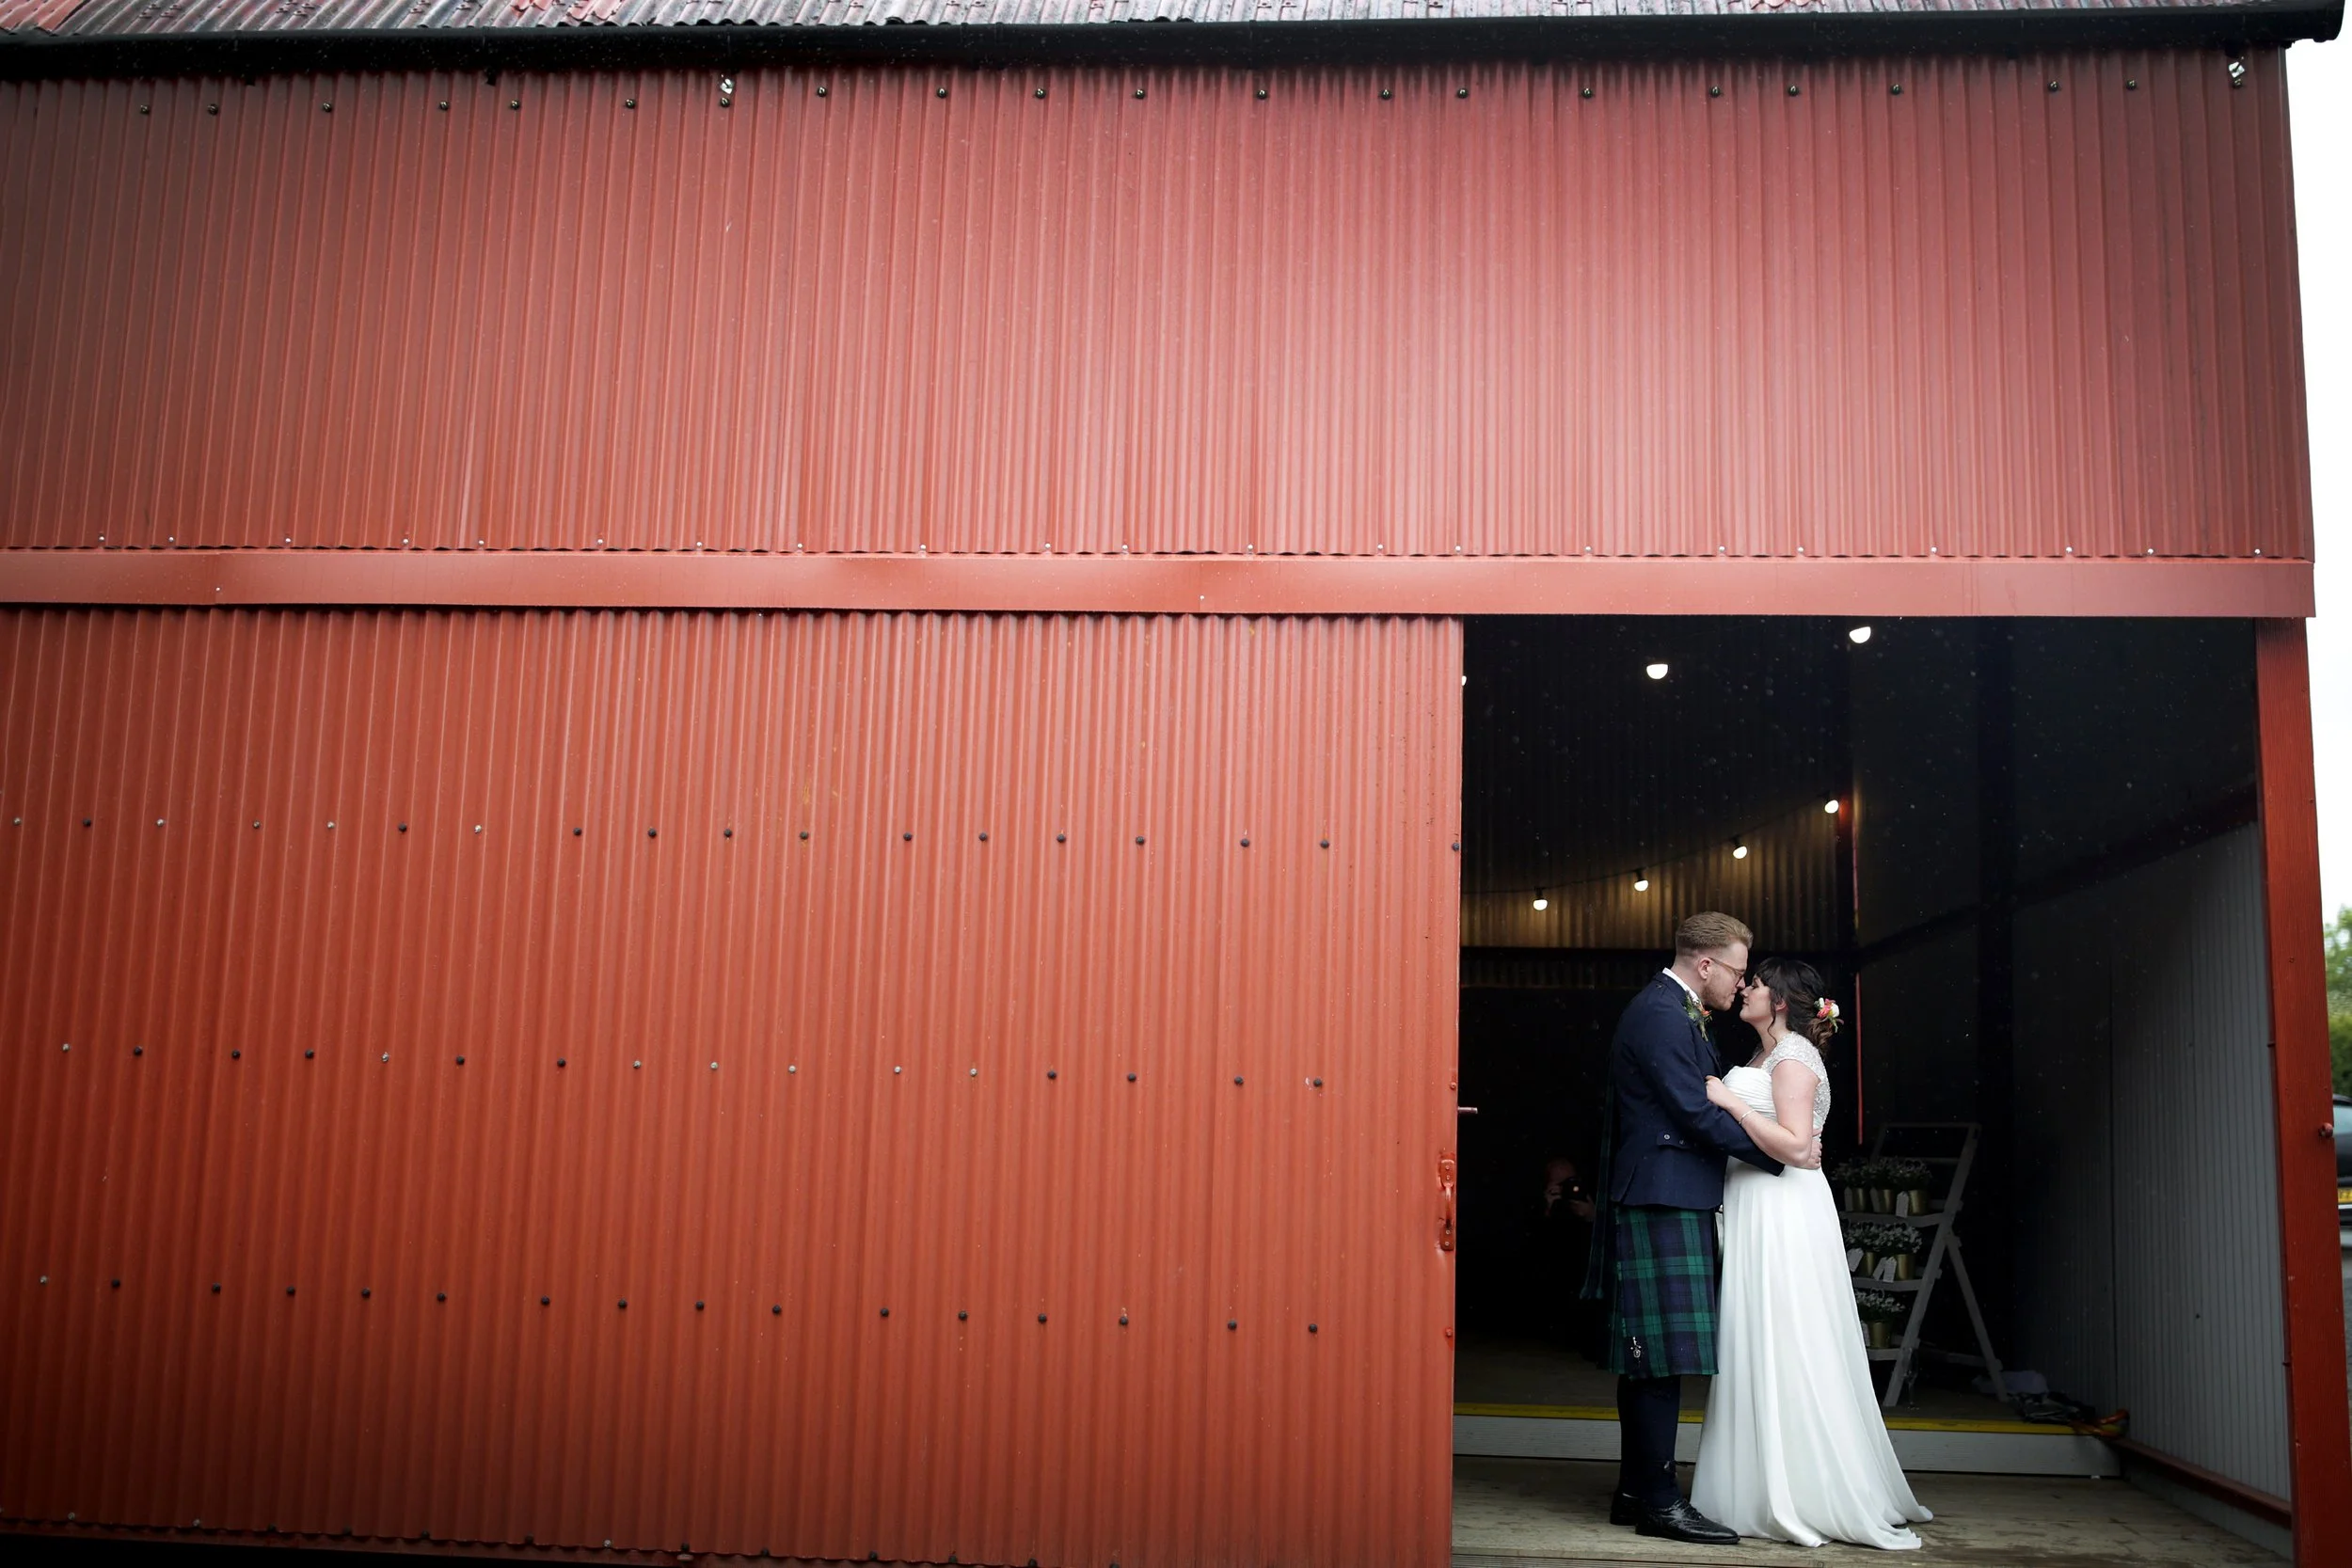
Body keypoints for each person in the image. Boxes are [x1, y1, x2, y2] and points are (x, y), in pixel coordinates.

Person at [1581, 912, 1821, 1545]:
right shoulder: (1662, 1013)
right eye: (1738, 971)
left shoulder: (1673, 1008)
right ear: (1706, 964)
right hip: (1662, 1199)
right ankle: (1659, 1500)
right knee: (1655, 1359)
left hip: (1665, 1194)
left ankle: (1636, 1490)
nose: (1742, 984)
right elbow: (1693, 1109)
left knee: (1646, 1359)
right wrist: (1783, 1154)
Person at [1692, 958, 1933, 1549]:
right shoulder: (1765, 1054)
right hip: (1756, 1207)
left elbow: (1800, 1149)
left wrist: (1729, 1104)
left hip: (1783, 1209)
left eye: (1755, 981)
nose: (1744, 987)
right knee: (1758, 1340)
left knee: (1788, 1338)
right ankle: (1755, 1481)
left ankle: (1802, 1488)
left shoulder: (1795, 1055)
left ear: (1780, 1000)